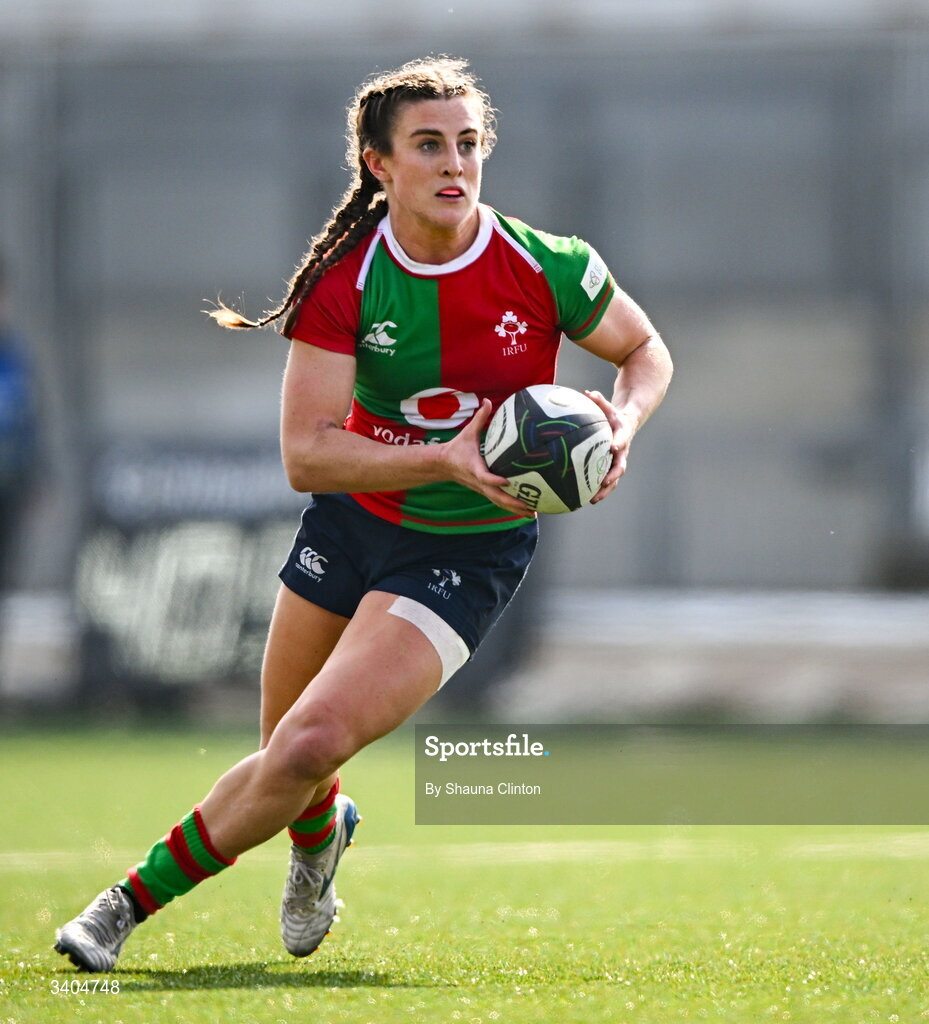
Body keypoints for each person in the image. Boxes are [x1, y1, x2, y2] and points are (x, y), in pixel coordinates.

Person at [54, 56, 673, 973]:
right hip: (351, 528)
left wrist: (620, 421)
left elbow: (644, 349)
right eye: (428, 145)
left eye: (468, 144)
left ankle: (121, 907)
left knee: (307, 740)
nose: (453, 163)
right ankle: (320, 839)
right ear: (379, 164)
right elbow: (306, 453)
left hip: (464, 552)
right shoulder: (344, 284)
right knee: (288, 758)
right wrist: (445, 456)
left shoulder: (546, 264)